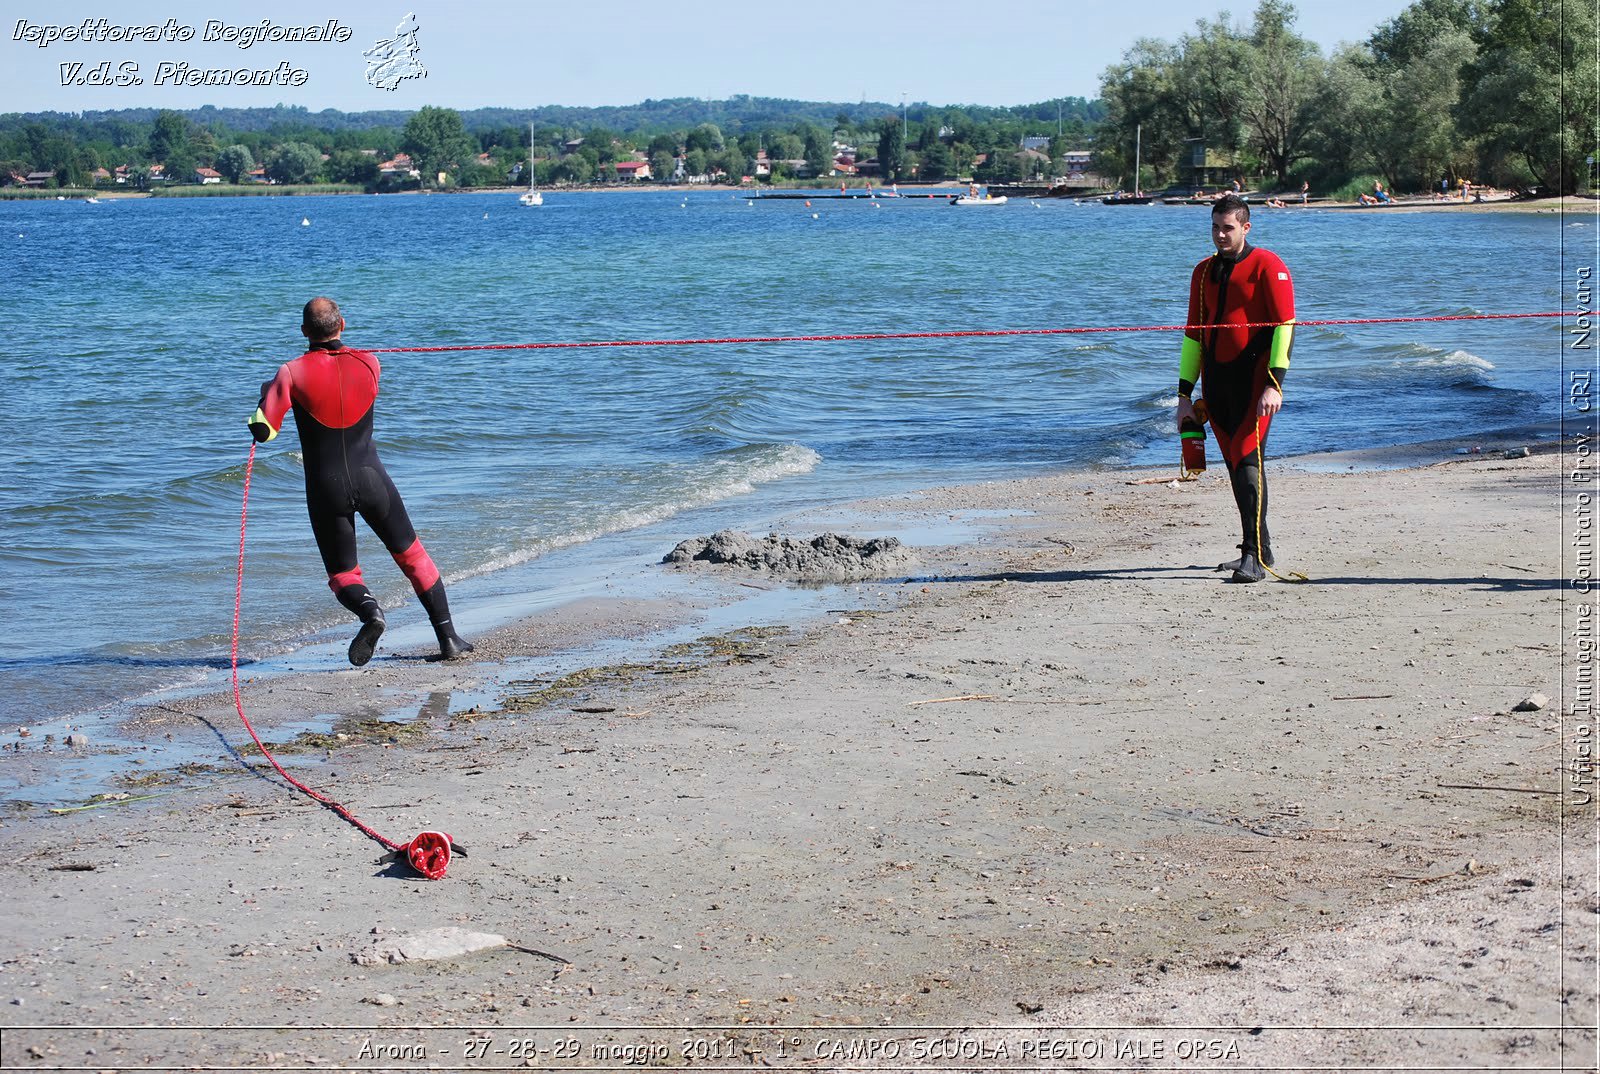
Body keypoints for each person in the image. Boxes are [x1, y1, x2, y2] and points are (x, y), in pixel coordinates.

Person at [248, 297, 473, 664]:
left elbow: (264, 431)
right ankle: (449, 639)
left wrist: (266, 394)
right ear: (343, 324)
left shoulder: (289, 373)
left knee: (343, 573)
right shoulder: (370, 362)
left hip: (326, 486)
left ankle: (371, 614)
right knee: (413, 556)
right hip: (372, 478)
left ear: (304, 331)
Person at [1174, 194, 1296, 583]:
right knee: (1233, 463)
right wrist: (1183, 395)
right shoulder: (1203, 272)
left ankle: (1255, 560)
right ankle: (1256, 548)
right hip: (1217, 383)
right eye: (1215, 227)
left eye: (1228, 228)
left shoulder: (1268, 266)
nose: (1220, 235)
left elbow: (1285, 327)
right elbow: (1194, 335)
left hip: (1255, 382)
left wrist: (1275, 385)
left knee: (1247, 462)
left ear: (1246, 227)